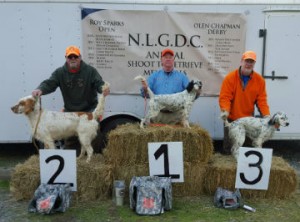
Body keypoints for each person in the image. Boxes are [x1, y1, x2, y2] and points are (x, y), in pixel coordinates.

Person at [32, 45, 110, 153]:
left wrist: (103, 89)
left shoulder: (90, 71)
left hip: (89, 111)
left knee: (93, 138)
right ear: (66, 58)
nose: (73, 59)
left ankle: (93, 158)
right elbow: (49, 83)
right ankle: (72, 161)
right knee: (71, 142)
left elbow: (99, 84)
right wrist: (40, 89)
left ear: (80, 57)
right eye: (70, 57)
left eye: (75, 57)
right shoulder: (59, 72)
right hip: (70, 112)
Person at [219, 50, 270, 154]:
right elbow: (225, 97)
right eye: (247, 61)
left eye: (251, 62)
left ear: (254, 64)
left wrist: (266, 116)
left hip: (248, 122)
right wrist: (225, 111)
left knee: (245, 150)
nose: (248, 64)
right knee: (229, 149)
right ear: (241, 61)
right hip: (231, 119)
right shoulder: (230, 78)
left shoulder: (260, 80)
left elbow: (262, 101)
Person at [139, 48, 197, 124]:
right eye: (165, 57)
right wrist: (144, 89)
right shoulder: (154, 76)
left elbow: (190, 95)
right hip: (158, 115)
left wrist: (197, 91)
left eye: (170, 57)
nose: (168, 59)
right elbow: (144, 94)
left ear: (173, 60)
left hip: (176, 117)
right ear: (161, 60)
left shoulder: (182, 77)